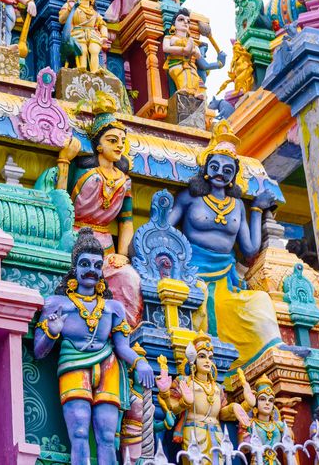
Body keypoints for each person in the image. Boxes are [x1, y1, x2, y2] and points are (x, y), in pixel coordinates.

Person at [34, 229, 155, 465]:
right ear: (75, 268)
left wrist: (140, 363)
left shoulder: (114, 308)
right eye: (85, 263)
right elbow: (39, 351)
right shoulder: (57, 304)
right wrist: (52, 332)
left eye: (97, 265)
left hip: (108, 366)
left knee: (107, 435)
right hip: (73, 366)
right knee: (79, 432)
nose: (91, 269)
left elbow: (122, 347)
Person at [167, 120, 282, 368]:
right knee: (201, 302)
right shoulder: (189, 198)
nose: (220, 172)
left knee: (260, 302)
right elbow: (164, 228)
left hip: (225, 279)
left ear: (233, 176)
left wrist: (257, 211)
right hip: (192, 272)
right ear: (206, 169)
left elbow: (250, 250)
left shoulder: (237, 206)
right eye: (215, 166)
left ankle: (266, 357)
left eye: (227, 170)